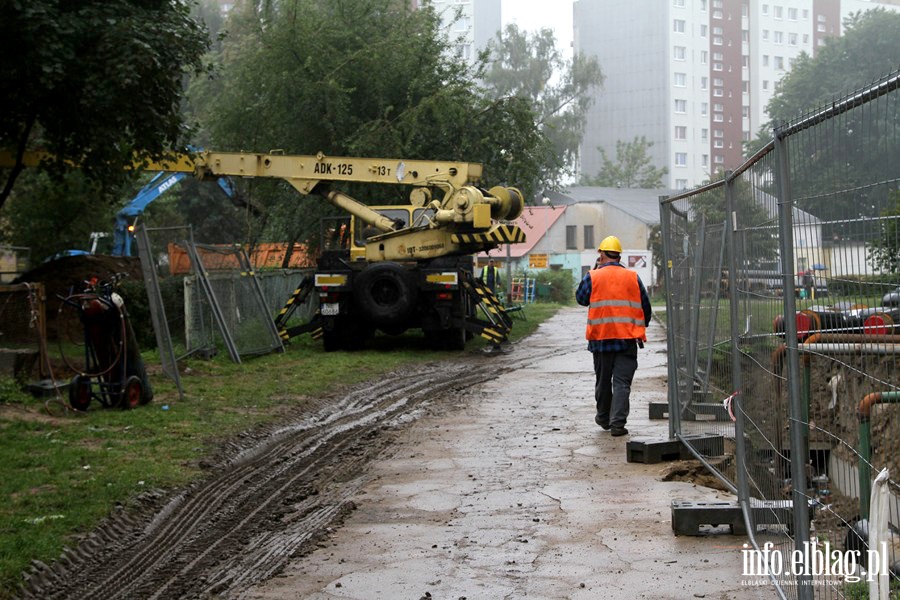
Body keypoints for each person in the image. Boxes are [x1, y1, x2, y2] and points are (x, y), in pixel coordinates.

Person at [575, 235, 652, 437]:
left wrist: (594, 271)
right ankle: (617, 424)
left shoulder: (593, 276)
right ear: (619, 256)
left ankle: (603, 417)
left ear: (601, 254)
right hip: (626, 340)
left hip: (600, 341)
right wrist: (641, 326)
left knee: (603, 381)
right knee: (621, 383)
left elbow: (581, 299)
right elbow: (646, 307)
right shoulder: (632, 277)